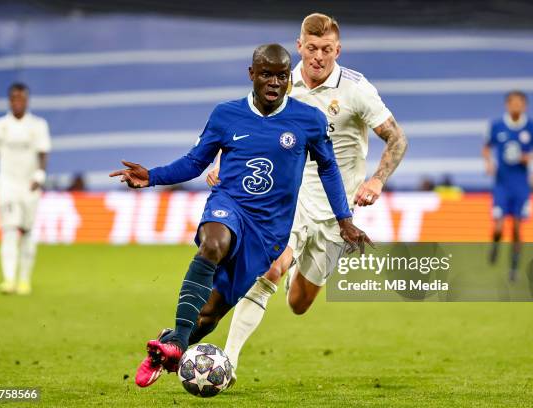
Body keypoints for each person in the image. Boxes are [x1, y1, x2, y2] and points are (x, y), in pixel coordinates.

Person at [109, 44, 372, 388]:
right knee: (212, 245)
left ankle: (170, 341)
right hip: (229, 205)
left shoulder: (308, 120)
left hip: (268, 232)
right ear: (252, 74)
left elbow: (328, 168)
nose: (274, 82)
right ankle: (174, 345)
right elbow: (194, 162)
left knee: (208, 316)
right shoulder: (226, 114)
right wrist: (153, 176)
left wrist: (344, 219)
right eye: (266, 74)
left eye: (281, 75)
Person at [207, 13, 408, 376]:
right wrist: (225, 161)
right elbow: (246, 122)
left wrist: (377, 179)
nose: (318, 57)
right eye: (311, 48)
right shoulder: (281, 83)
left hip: (337, 209)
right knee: (270, 269)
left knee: (299, 303)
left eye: (327, 50)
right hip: (291, 198)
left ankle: (297, 266)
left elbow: (396, 137)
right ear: (299, 46)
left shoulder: (356, 89)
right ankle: (229, 362)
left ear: (338, 50)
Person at [0, 82, 51, 296]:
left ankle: (24, 280)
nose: (18, 102)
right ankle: (9, 280)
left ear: (27, 100)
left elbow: (43, 154)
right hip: (7, 185)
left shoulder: (38, 126)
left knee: (28, 231)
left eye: (21, 98)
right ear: (10, 101)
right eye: (14, 99)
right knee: (10, 230)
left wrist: (39, 176)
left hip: (29, 185)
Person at [483, 90, 533, 281]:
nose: (517, 106)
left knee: (517, 227)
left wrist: (530, 157)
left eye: (520, 103)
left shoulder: (532, 127)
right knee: (499, 226)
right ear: (507, 105)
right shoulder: (497, 126)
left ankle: (514, 267)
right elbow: (486, 148)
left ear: (524, 106)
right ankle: (495, 245)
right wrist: (489, 162)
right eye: (513, 103)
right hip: (502, 184)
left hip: (521, 185)